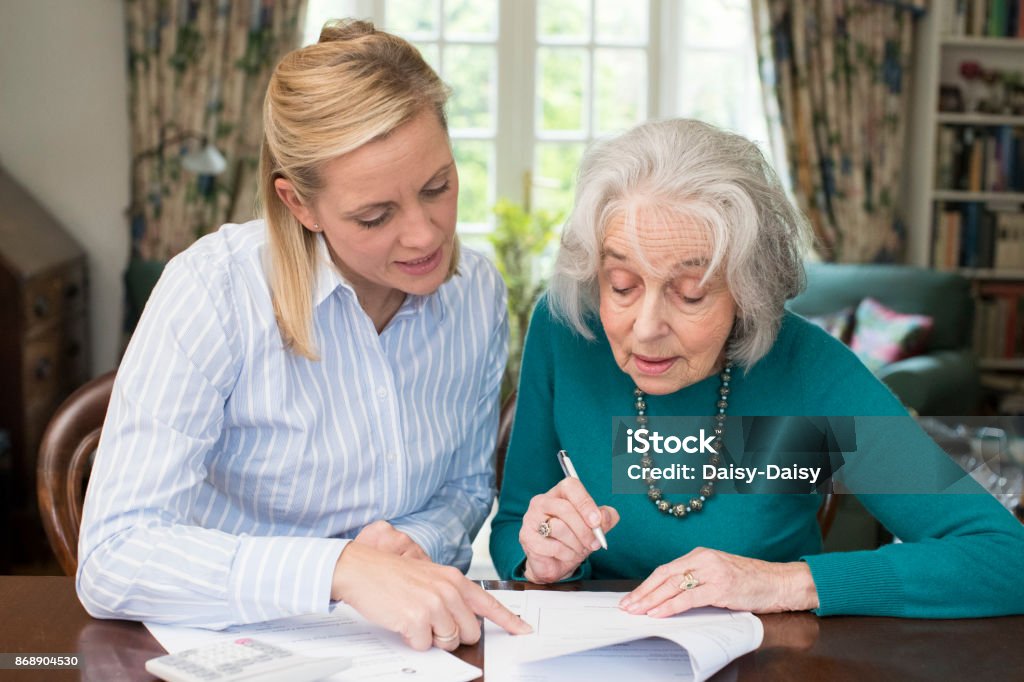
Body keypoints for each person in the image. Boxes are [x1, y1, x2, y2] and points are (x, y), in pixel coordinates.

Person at [77, 19, 532, 649]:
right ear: (299, 204)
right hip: (228, 644)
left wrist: (411, 549)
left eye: (438, 187)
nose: (426, 235)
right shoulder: (214, 291)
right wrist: (339, 569)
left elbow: (463, 488)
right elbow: (113, 554)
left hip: (402, 646)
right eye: (374, 216)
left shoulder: (476, 293)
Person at [490, 118, 1024, 618]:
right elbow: (516, 524)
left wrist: (780, 583)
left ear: (750, 292)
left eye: (691, 294)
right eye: (622, 286)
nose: (646, 327)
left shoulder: (810, 368)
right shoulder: (566, 329)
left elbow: (1004, 558)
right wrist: (543, 556)